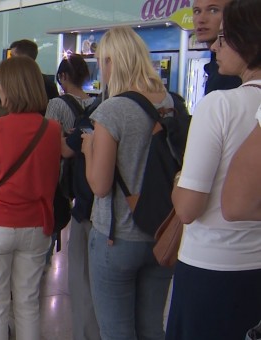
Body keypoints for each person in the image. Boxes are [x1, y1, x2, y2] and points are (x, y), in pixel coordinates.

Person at [167, 0, 261, 338]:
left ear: (246, 40)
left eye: (225, 38)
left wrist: (179, 180)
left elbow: (188, 208)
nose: (217, 47)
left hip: (211, 267)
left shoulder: (220, 105)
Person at [80, 26, 174, 340]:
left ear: (112, 62)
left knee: (117, 331)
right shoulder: (172, 103)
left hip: (117, 235)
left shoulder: (113, 109)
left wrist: (88, 149)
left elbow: (100, 185)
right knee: (151, 328)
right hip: (163, 232)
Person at [0, 56, 61, 340]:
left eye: (1, 85)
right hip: (36, 225)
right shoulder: (52, 130)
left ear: (12, 88)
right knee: (28, 303)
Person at [46, 54, 101, 340]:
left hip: (64, 181)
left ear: (64, 78)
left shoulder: (57, 104)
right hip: (86, 182)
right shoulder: (95, 103)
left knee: (78, 270)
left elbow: (53, 146)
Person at [193, 0, 242, 94]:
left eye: (213, 10)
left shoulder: (233, 73)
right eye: (197, 11)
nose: (201, 19)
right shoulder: (216, 66)